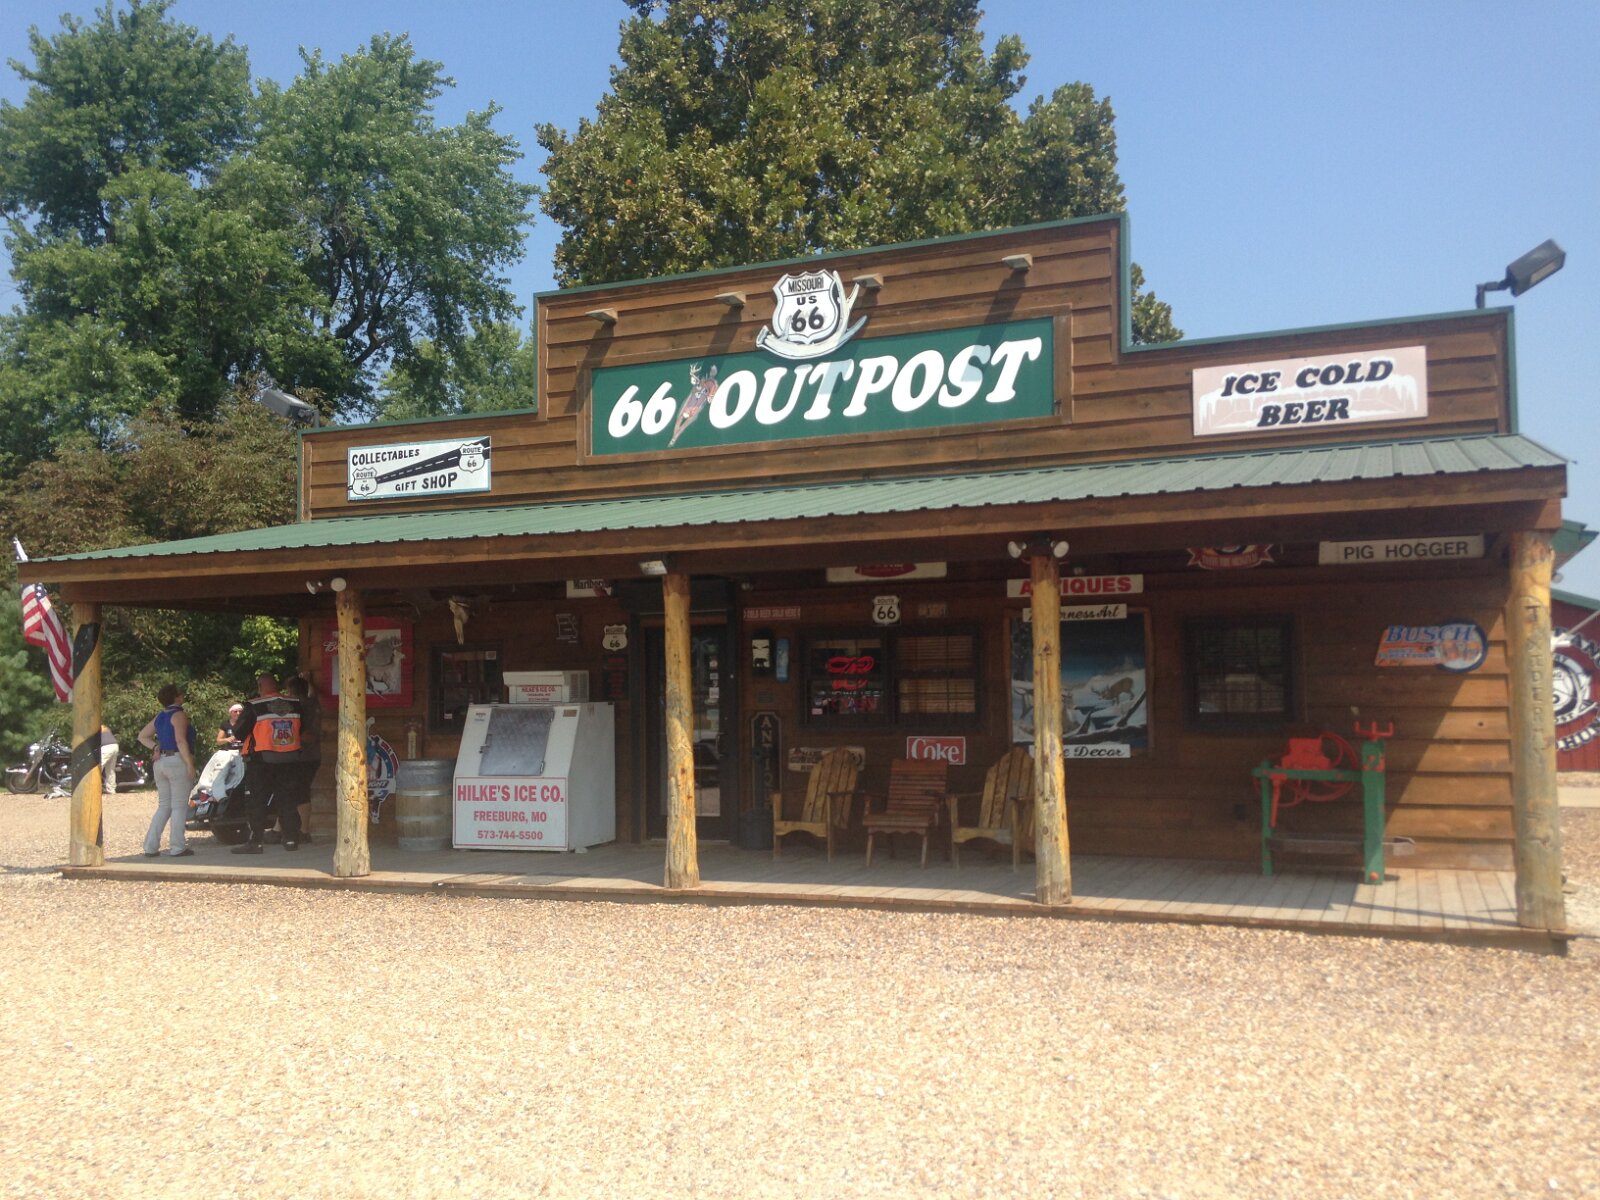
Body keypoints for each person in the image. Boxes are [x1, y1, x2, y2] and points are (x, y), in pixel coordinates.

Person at [230, 672, 307, 854]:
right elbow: (302, 728)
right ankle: (290, 839)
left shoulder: (255, 705)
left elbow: (239, 732)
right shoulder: (295, 703)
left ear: (260, 687)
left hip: (261, 760)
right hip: (289, 759)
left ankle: (255, 842)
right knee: (287, 799)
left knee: (256, 800)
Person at [137, 684, 197, 857]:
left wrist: (155, 747)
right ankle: (177, 846)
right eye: (180, 694)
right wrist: (189, 764)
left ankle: (150, 846)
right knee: (179, 806)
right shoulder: (178, 715)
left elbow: (142, 736)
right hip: (176, 760)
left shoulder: (160, 716)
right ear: (176, 697)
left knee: (164, 805)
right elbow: (180, 740)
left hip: (161, 761)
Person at [282, 676, 321, 845]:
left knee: (298, 793)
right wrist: (309, 681)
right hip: (313, 755)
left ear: (291, 691)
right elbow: (313, 694)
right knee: (299, 791)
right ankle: (286, 829)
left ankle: (304, 831)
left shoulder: (296, 707)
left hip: (300, 756)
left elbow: (301, 733)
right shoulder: (312, 703)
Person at [99, 724, 119, 796]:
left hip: (106, 747)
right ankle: (111, 789)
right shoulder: (104, 727)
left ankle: (93, 788)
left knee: (97, 768)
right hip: (114, 745)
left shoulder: (93, 728)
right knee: (110, 770)